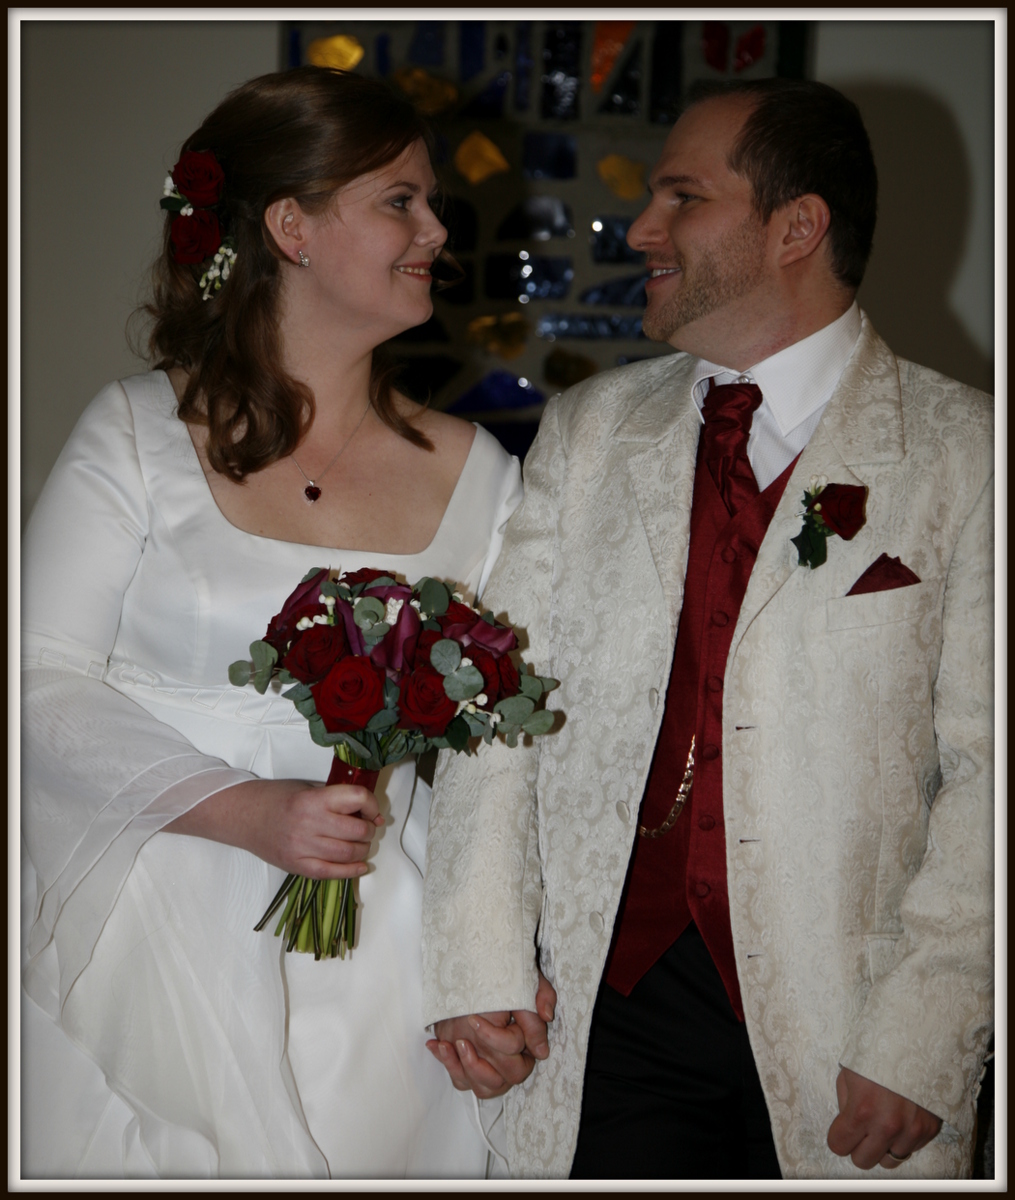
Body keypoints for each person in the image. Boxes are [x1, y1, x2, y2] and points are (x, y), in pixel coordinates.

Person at [421, 78, 993, 1180]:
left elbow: (993, 776)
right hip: (607, 1013)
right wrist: (479, 965)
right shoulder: (588, 431)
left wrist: (928, 1030)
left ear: (796, 226)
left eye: (680, 196)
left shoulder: (969, 454)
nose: (641, 229)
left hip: (853, 1034)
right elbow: (491, 712)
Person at [21, 66, 524, 1180]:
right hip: (148, 923)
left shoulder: (481, 474)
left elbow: (506, 755)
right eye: (399, 199)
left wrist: (491, 970)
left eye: (431, 201)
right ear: (291, 225)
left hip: (380, 959)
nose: (437, 228)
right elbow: (37, 681)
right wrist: (244, 809)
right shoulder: (137, 435)